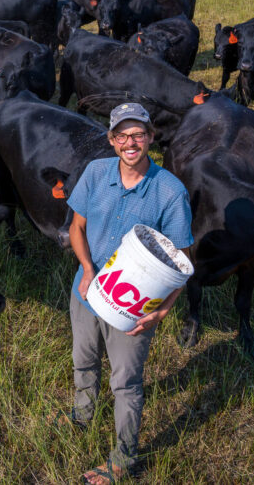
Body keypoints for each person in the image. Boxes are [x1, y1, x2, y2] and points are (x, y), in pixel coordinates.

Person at [65, 102, 193, 485]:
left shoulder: (170, 191)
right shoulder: (95, 173)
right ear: (111, 140)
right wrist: (88, 270)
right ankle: (83, 413)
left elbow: (181, 262)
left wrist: (162, 313)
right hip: (87, 291)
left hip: (133, 304)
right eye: (122, 135)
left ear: (151, 138)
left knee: (126, 382)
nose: (130, 142)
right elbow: (76, 227)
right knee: (83, 358)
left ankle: (123, 458)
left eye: (138, 134)